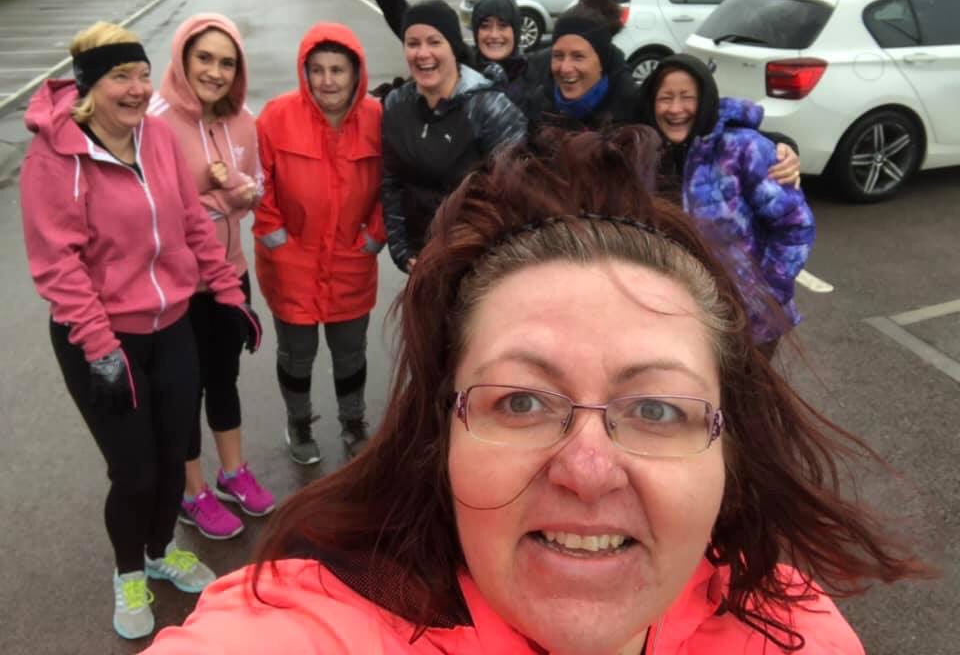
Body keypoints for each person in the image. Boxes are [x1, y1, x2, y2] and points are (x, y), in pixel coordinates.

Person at [143, 126, 926, 654]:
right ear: (439, 437)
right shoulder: (310, 628)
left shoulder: (796, 630)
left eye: (657, 409)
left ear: (731, 450)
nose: (587, 471)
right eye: (520, 401)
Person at [19, 21, 261, 640]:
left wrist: (229, 294)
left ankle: (159, 551)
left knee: (174, 452)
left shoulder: (155, 137)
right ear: (89, 87)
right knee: (135, 471)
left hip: (172, 324)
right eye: (120, 77)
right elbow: (58, 265)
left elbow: (191, 220)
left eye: (143, 75)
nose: (136, 89)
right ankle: (129, 572)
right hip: (102, 338)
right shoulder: (55, 155)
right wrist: (102, 350)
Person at [148, 13, 275, 541]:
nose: (215, 72)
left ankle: (233, 472)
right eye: (204, 58)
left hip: (230, 275)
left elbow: (257, 189)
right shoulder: (154, 123)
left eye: (227, 63)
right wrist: (224, 196)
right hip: (175, 288)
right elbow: (158, 208)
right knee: (183, 390)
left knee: (224, 377)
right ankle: (191, 490)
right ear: (182, 58)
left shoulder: (243, 120)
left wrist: (239, 188)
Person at [254, 22, 386, 466]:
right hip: (292, 262)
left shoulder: (377, 119)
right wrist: (277, 239)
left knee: (350, 352)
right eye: (317, 70)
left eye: (338, 70)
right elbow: (258, 181)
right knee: (297, 354)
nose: (327, 81)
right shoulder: (276, 117)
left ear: (356, 73)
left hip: (351, 259)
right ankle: (299, 423)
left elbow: (392, 185)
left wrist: (375, 236)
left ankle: (353, 421)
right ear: (304, 71)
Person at [641, 53, 816, 354]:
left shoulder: (742, 149)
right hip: (682, 317)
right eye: (665, 98)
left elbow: (796, 227)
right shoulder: (647, 156)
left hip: (750, 323)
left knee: (745, 385)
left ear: (706, 100)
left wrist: (763, 297)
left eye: (687, 97)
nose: (675, 108)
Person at [540, 0, 804, 186]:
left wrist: (782, 147)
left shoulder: (633, 105)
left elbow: (711, 122)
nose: (565, 67)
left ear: (602, 62)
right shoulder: (540, 106)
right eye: (558, 56)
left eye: (578, 56)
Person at [363, 0, 619, 118]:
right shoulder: (463, 64)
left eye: (503, 26)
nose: (494, 35)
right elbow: (416, 28)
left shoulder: (537, 67)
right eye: (485, 26)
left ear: (516, 31)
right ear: (475, 32)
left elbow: (589, 33)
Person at [380, 0, 526, 273]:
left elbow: (514, 198)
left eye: (434, 42)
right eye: (413, 44)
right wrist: (402, 251)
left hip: (478, 265)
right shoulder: (396, 104)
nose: (423, 53)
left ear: (454, 47)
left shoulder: (489, 108)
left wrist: (473, 261)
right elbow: (392, 183)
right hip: (420, 264)